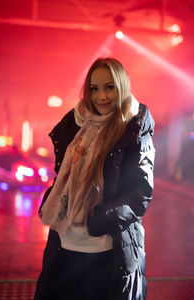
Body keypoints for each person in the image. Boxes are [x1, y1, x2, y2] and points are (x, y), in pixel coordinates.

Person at [34, 57, 155, 300]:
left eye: (109, 87)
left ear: (121, 86)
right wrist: (54, 200)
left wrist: (98, 220)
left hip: (105, 250)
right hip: (64, 244)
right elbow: (64, 178)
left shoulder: (132, 128)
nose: (101, 97)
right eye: (94, 88)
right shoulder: (77, 123)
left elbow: (139, 194)